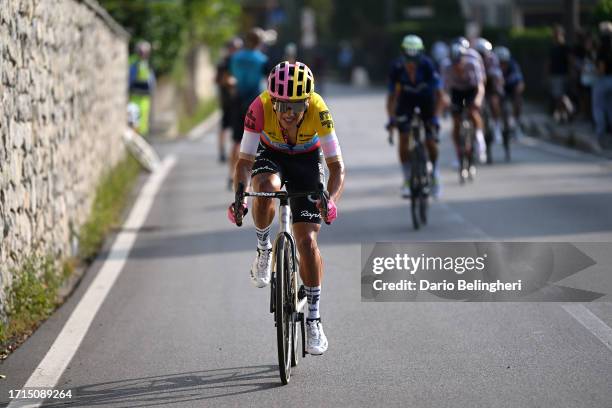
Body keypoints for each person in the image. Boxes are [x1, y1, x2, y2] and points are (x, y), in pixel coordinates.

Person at [228, 61, 345, 355]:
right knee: (266, 188)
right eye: (283, 106)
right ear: (273, 100)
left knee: (307, 241)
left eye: (296, 106)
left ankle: (314, 319)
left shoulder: (319, 110)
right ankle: (264, 249)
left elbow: (337, 168)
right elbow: (244, 162)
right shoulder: (259, 107)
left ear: (307, 102)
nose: (290, 113)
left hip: (308, 161)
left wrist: (329, 199)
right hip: (272, 155)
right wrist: (241, 196)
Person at [386, 35, 444, 198]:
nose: (411, 65)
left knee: (430, 141)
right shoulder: (396, 67)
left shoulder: (428, 65)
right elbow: (391, 98)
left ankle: (435, 175)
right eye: (407, 60)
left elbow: (441, 97)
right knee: (403, 138)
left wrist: (436, 118)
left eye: (415, 61)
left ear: (421, 56)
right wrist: (391, 118)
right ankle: (406, 179)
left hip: (427, 102)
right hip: (406, 102)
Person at [228, 28, 269, 188]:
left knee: (237, 140)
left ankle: (233, 176)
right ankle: (253, 176)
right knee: (256, 140)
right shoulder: (262, 59)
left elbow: (230, 77)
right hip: (255, 102)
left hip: (237, 100)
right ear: (259, 43)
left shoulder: (235, 57)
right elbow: (268, 81)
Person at [443, 43, 487, 165]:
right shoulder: (447, 68)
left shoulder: (472, 64)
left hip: (471, 90)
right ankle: (458, 153)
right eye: (454, 62)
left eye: (459, 61)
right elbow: (444, 89)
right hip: (456, 92)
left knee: (473, 112)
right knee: (456, 122)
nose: (457, 65)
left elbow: (480, 86)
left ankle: (479, 141)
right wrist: (446, 100)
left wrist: (478, 100)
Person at [215, 37, 243, 163]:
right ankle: (222, 151)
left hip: (237, 100)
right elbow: (217, 79)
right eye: (233, 48)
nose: (235, 51)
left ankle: (237, 152)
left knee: (237, 129)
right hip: (227, 99)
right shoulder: (225, 63)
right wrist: (227, 82)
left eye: (237, 48)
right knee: (224, 126)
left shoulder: (240, 61)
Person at [474, 37, 505, 148]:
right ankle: (477, 133)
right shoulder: (474, 59)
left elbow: (497, 75)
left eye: (484, 53)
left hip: (491, 84)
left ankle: (497, 126)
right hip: (478, 84)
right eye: (480, 53)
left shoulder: (492, 59)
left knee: (494, 102)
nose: (482, 56)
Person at [494, 46, 525, 138]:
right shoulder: (492, 66)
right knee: (494, 101)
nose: (502, 65)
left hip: (510, 88)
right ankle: (497, 126)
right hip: (497, 88)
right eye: (500, 62)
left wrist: (518, 91)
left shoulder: (513, 65)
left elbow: (520, 81)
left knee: (518, 100)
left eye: (504, 62)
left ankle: (516, 123)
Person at [128, 41, 156, 136]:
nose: (144, 54)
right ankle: (135, 137)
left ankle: (143, 137)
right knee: (134, 118)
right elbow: (130, 79)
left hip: (145, 97)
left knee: (144, 120)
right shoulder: (133, 63)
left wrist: (152, 91)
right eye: (142, 52)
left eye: (146, 52)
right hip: (135, 96)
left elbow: (151, 81)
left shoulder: (148, 64)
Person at [548, 25, 574, 122]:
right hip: (555, 75)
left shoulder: (565, 47)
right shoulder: (553, 47)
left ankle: (570, 110)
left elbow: (571, 60)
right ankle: (563, 115)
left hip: (563, 74)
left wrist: (571, 73)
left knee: (561, 96)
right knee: (558, 96)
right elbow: (549, 62)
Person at [593, 21, 612, 145]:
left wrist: (594, 72)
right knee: (610, 107)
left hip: (604, 79)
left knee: (598, 106)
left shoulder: (602, 48)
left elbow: (601, 69)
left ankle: (600, 134)